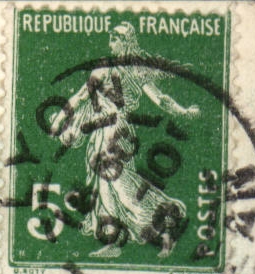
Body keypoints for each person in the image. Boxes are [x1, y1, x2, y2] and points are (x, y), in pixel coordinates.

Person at [49, 23, 201, 258]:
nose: (113, 41)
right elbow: (80, 97)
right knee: (105, 189)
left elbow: (160, 98)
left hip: (115, 131)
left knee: (120, 186)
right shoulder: (105, 70)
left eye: (118, 38)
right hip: (102, 133)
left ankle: (166, 220)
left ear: (127, 42)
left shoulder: (134, 71)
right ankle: (115, 241)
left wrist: (183, 112)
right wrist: (59, 119)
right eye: (112, 37)